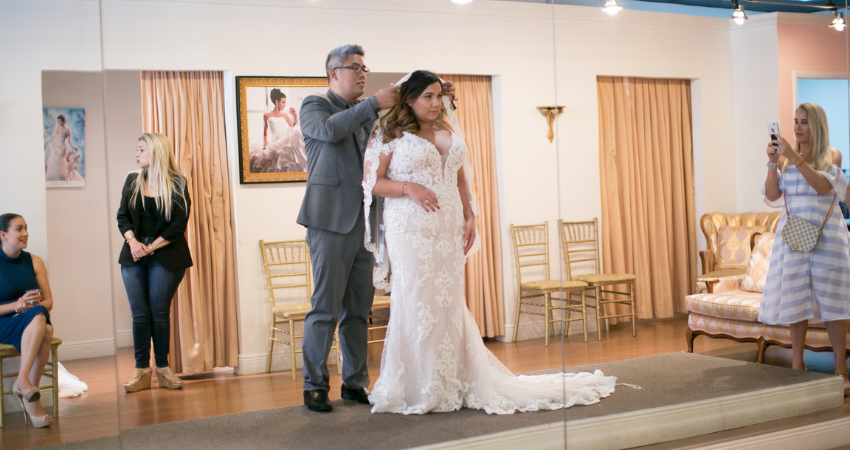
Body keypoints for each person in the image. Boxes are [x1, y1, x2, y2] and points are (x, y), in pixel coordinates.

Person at [362, 70, 617, 415]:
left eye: (440, 96)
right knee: (416, 298)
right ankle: (416, 384)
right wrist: (408, 188)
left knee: (448, 299)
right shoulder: (389, 132)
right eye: (428, 97)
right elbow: (372, 184)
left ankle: (455, 378)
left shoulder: (446, 128)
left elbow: (459, 176)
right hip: (410, 228)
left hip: (448, 225)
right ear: (409, 99)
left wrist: (470, 215)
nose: (437, 103)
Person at [296, 44, 400, 412]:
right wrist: (372, 103)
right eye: (354, 67)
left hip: (365, 226)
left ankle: (355, 383)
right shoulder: (314, 105)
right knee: (324, 308)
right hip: (328, 223)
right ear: (332, 73)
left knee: (358, 310)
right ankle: (314, 385)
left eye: (364, 67)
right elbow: (328, 132)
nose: (362, 73)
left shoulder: (369, 116)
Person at [762, 102, 850, 397]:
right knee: (796, 299)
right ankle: (797, 365)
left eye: (804, 122)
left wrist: (794, 156)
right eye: (795, 121)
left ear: (817, 126)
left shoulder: (830, 155)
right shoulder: (785, 160)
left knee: (833, 304)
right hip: (794, 237)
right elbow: (773, 195)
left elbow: (823, 188)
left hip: (827, 238)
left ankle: (841, 367)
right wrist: (773, 162)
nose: (797, 127)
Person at [117, 132, 192, 393]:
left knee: (159, 313)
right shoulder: (132, 180)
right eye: (136, 149)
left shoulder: (177, 183)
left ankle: (162, 368)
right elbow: (122, 217)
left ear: (156, 153)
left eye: (141, 150)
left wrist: (149, 247)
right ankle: (141, 371)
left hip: (166, 254)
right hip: (134, 253)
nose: (136, 154)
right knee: (140, 314)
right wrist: (133, 242)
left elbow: (178, 226)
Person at [0, 213, 55, 427]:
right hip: (3, 322)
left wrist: (30, 306)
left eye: (26, 228)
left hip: (29, 319)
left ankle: (24, 383)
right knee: (46, 329)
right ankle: (28, 391)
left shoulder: (34, 261)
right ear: (2, 234)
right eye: (19, 229)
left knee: (41, 317)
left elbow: (49, 301)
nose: (26, 234)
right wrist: (17, 305)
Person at [262, 89, 307, 172]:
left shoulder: (284, 115)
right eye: (283, 102)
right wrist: (265, 147)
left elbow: (292, 128)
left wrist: (295, 115)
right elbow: (265, 134)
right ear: (276, 101)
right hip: (273, 142)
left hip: (283, 140)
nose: (284, 105)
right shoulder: (266, 115)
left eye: (285, 102)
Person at [44, 114, 77, 182]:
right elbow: (53, 137)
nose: (58, 123)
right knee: (55, 160)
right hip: (57, 147)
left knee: (61, 161)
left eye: (59, 121)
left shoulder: (66, 130)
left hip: (62, 148)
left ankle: (62, 177)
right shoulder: (57, 128)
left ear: (63, 121)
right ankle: (56, 177)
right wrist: (48, 140)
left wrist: (72, 147)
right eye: (57, 121)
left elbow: (68, 141)